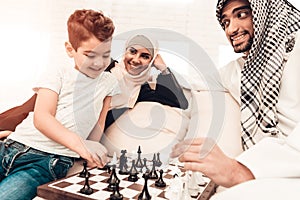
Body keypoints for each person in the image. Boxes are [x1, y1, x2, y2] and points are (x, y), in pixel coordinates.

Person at [171, 0, 300, 198]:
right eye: (225, 23)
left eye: (241, 15)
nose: (231, 29)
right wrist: (159, 70)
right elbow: (194, 82)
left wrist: (240, 170)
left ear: (265, 12)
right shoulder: (238, 70)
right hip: (269, 173)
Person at [0, 9, 119, 199]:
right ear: (70, 49)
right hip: (12, 145)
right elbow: (42, 117)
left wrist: (92, 152)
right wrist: (81, 146)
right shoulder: (58, 72)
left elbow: (99, 121)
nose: (99, 63)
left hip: (46, 161)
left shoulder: (109, 83)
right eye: (90, 55)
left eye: (106, 55)